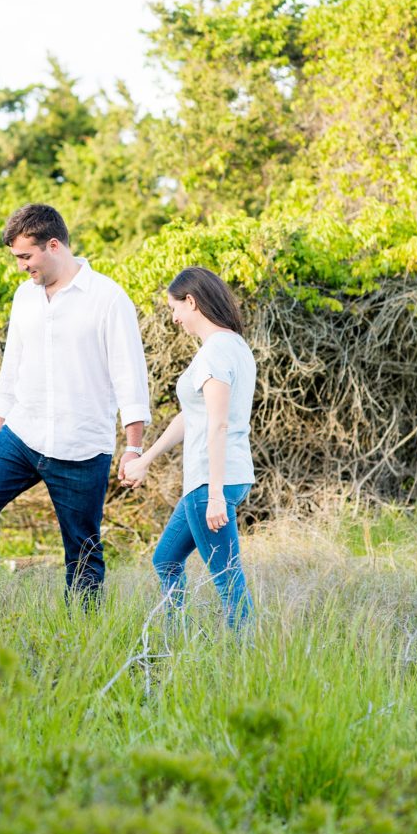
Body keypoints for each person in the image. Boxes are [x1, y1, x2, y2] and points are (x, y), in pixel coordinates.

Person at [0, 204, 151, 623]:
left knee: (82, 548)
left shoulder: (107, 298)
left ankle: (83, 634)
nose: (21, 267)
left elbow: (130, 379)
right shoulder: (24, 296)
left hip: (80, 444)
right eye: (16, 258)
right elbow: (12, 367)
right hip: (22, 435)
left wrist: (133, 448)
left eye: (26, 257)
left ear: (53, 244)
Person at [122, 266, 255, 630]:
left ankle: (245, 663)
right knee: (166, 559)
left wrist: (213, 495)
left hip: (210, 484)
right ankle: (173, 637)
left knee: (229, 582)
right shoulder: (233, 346)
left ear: (191, 302)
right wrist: (146, 458)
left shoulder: (215, 353)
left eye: (174, 308)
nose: (175, 318)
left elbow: (218, 424)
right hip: (223, 478)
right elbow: (193, 415)